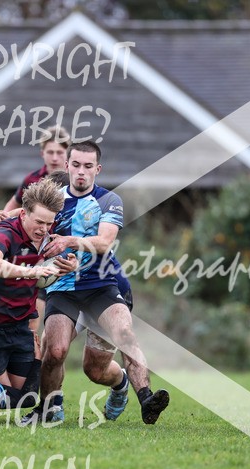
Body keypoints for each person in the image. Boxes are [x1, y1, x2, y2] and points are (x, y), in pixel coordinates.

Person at [23, 140, 170, 425]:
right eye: (76, 165)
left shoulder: (108, 200)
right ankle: (51, 407)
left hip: (101, 286)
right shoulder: (53, 201)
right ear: (67, 166)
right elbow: (26, 219)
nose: (81, 171)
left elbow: (104, 242)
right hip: (63, 288)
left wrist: (69, 241)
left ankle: (146, 398)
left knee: (111, 350)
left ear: (97, 169)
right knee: (55, 351)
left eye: (88, 166)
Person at [0, 178, 77, 391]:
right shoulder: (4, 232)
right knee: (3, 397)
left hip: (19, 327)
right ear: (23, 214)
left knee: (25, 396)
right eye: (39, 222)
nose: (44, 229)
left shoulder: (50, 236)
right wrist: (31, 272)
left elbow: (70, 256)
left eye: (49, 224)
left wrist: (72, 265)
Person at [2, 125, 69, 213]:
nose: (54, 158)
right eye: (50, 152)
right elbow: (13, 204)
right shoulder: (31, 179)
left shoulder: (74, 180)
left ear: (68, 154)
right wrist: (3, 218)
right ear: (42, 154)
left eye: (59, 153)